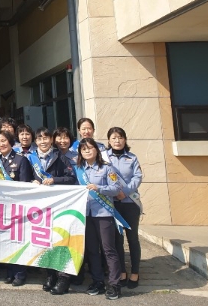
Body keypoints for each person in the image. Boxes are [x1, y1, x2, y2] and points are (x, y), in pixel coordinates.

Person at [28, 128, 77, 295]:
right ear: (36, 141)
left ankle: (63, 277)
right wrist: (32, 181)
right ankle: (50, 275)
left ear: (51, 140)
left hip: (60, 205)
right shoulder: (30, 158)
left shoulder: (60, 156)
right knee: (46, 240)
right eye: (39, 138)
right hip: (41, 207)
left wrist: (54, 180)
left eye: (46, 138)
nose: (43, 141)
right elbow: (24, 178)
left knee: (61, 240)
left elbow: (71, 178)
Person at [76, 138, 123, 300]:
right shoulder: (79, 169)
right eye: (84, 149)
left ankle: (114, 284)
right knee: (92, 250)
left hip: (103, 214)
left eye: (90, 148)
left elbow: (116, 188)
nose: (87, 151)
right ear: (80, 153)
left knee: (108, 250)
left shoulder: (107, 168)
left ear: (96, 150)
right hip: (86, 215)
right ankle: (98, 281)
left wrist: (99, 188)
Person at [0, 130, 32, 286]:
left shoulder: (21, 160)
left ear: (10, 142)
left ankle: (20, 273)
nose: (1, 144)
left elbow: (24, 185)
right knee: (3, 241)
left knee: (17, 240)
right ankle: (9, 273)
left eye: (3, 141)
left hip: (16, 207)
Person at [104, 127, 143, 290]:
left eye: (120, 137)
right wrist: (115, 193)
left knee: (132, 238)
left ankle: (135, 272)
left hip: (130, 203)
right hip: (113, 204)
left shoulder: (132, 158)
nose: (117, 141)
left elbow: (137, 177)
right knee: (117, 240)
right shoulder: (104, 157)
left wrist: (124, 192)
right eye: (113, 138)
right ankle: (122, 272)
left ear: (125, 139)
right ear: (109, 141)